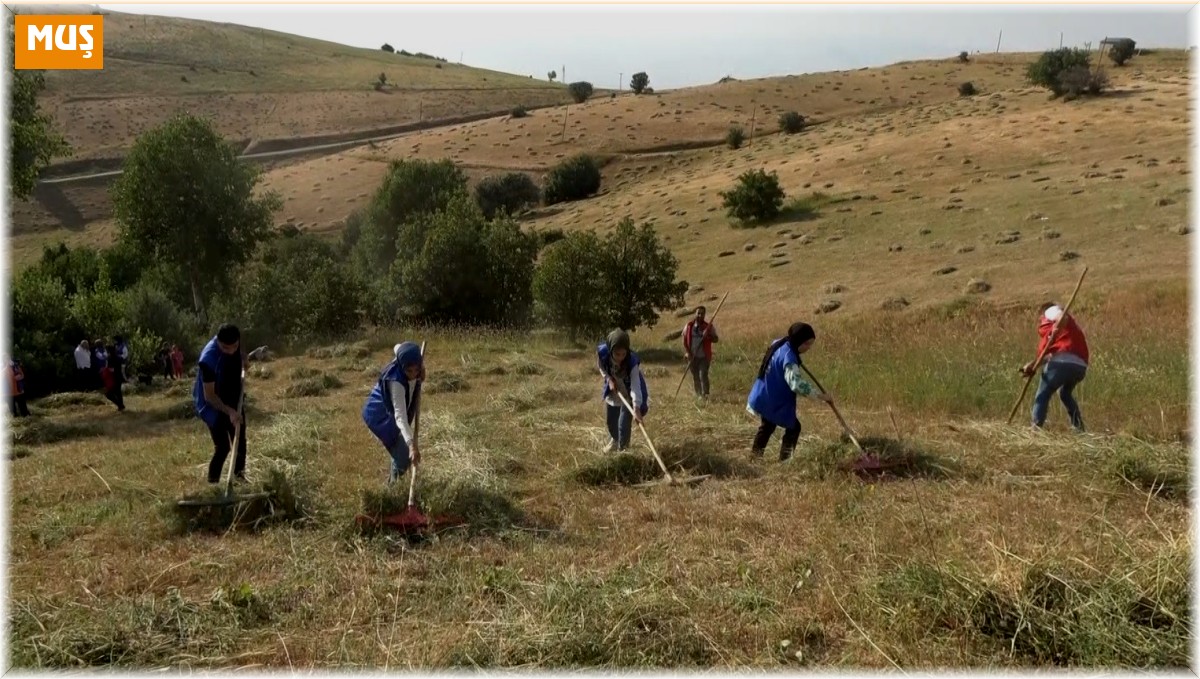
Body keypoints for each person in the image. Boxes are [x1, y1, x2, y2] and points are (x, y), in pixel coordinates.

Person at [746, 322, 833, 461]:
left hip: (765, 392)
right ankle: (784, 460)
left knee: (767, 426)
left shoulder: (780, 343)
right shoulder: (789, 357)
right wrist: (821, 396)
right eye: (807, 344)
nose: (808, 348)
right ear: (798, 341)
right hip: (772, 397)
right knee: (793, 428)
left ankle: (755, 457)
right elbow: (796, 384)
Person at [362, 342, 425, 484]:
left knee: (399, 452)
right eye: (409, 371)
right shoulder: (397, 384)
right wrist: (411, 445)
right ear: (402, 367)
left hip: (392, 411)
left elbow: (397, 346)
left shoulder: (410, 357)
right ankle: (391, 492)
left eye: (417, 370)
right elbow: (400, 417)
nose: (414, 375)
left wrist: (423, 369)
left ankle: (393, 480)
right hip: (380, 414)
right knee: (403, 457)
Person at [194, 324, 249, 484]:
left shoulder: (235, 343)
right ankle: (213, 487)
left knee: (240, 442)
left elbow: (239, 355)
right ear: (218, 342)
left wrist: (243, 359)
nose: (231, 351)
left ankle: (239, 480)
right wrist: (230, 411)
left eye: (235, 347)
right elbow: (210, 396)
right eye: (226, 348)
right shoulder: (208, 360)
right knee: (223, 447)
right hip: (212, 405)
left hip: (232, 396)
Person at [1022, 303, 1089, 432]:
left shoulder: (1051, 311)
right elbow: (1053, 353)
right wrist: (1032, 365)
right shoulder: (1070, 331)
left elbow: (1061, 317)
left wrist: (1058, 323)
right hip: (1079, 366)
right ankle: (1079, 428)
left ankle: (1035, 430)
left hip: (1061, 364)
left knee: (1042, 394)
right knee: (1065, 394)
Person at [596, 329, 649, 452]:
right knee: (611, 422)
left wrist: (636, 408)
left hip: (629, 393)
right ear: (610, 350)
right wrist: (608, 379)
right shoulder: (603, 353)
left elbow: (636, 386)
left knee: (623, 425)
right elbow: (601, 367)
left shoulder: (632, 363)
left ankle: (623, 451)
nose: (620, 358)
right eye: (617, 354)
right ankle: (615, 441)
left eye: (623, 354)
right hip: (614, 390)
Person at [682, 305, 720, 398]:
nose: (700, 315)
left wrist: (707, 336)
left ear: (704, 315)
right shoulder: (689, 326)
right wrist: (688, 353)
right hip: (692, 356)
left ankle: (705, 394)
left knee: (703, 375)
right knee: (695, 376)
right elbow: (684, 339)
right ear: (695, 314)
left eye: (702, 314)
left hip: (704, 357)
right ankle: (698, 394)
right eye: (698, 313)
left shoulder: (708, 327)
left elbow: (716, 339)